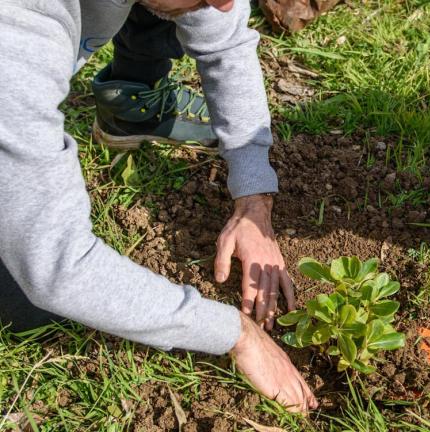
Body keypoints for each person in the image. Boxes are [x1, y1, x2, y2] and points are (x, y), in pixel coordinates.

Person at [0, 0, 318, 411]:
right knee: (27, 307)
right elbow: (58, 266)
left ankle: (132, 107)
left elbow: (227, 45)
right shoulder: (16, 38)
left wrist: (253, 201)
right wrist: (235, 334)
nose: (226, 3)